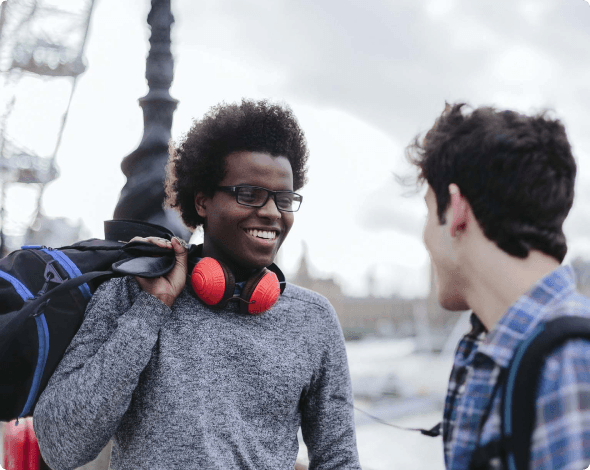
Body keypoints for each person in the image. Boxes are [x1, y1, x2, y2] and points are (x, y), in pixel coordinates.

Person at [34, 99, 361, 470]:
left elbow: (339, 461)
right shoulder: (133, 292)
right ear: (203, 200)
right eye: (249, 194)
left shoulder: (313, 320)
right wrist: (150, 312)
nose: (271, 213)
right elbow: (61, 446)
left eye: (283, 199)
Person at [406, 102, 590, 470]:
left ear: (455, 210)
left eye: (428, 211)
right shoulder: (501, 346)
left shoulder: (568, 363)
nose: (424, 237)